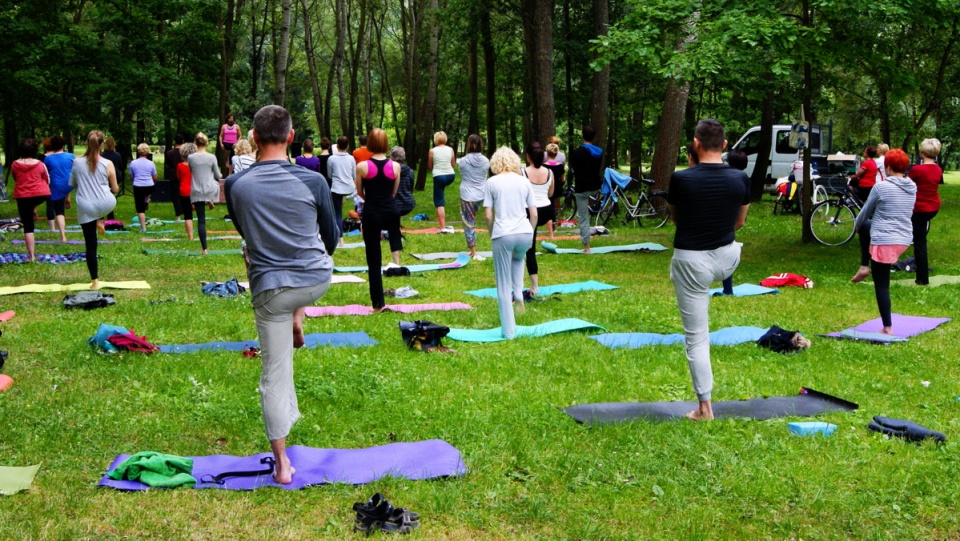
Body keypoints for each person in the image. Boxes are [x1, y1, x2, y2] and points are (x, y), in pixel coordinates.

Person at [225, 104, 340, 485]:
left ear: (253, 139)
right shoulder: (314, 181)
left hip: (272, 288)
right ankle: (298, 315)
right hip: (315, 279)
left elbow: (247, 234)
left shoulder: (236, 185)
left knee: (274, 375)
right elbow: (333, 237)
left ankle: (281, 464)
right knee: (293, 285)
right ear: (291, 137)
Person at [666, 119, 750, 421]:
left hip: (692, 262)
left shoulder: (681, 179)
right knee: (728, 251)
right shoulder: (740, 178)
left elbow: (677, 219)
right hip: (727, 259)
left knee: (697, 337)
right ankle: (704, 407)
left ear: (696, 144)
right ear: (725, 146)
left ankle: (705, 408)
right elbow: (739, 222)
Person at [852, 149, 916, 335]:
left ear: (887, 166)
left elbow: (864, 212)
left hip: (885, 240)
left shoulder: (881, 187)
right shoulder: (912, 187)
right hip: (903, 238)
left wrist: (856, 227)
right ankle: (864, 266)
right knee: (867, 227)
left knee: (882, 284)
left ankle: (887, 327)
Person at [484, 147, 537, 340]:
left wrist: (492, 234)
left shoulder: (492, 182)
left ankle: (508, 331)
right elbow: (534, 213)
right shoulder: (524, 181)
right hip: (524, 231)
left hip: (503, 233)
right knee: (518, 259)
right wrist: (530, 234)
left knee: (502, 284)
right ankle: (519, 294)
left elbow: (489, 215)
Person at [355, 129, 403, 310]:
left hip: (372, 211)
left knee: (373, 259)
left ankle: (378, 303)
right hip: (390, 211)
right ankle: (396, 254)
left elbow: (359, 192)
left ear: (370, 144)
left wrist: (371, 200)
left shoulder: (362, 166)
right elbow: (393, 192)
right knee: (393, 239)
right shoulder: (395, 166)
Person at [70, 130, 118, 289]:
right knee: (98, 208)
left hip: (86, 206)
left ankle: (95, 281)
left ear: (86, 143)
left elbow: (74, 184)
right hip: (106, 203)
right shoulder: (108, 163)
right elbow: (116, 188)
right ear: (102, 144)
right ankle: (99, 219)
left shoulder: (77, 162)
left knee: (91, 245)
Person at [908, 138, 943, 285]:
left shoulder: (917, 170)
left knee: (920, 242)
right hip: (933, 207)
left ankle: (922, 278)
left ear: (922, 153)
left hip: (919, 208)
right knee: (920, 239)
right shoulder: (938, 169)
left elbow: (906, 184)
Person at [522, 141, 554, 296]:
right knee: (529, 247)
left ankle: (534, 286)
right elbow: (550, 193)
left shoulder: (523, 172)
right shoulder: (549, 172)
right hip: (547, 211)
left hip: (531, 212)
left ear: (528, 156)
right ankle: (533, 284)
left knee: (530, 249)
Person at [12, 138, 51, 262]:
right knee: (33, 202)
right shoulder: (40, 164)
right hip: (40, 195)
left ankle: (31, 256)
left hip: (23, 197)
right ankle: (34, 207)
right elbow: (47, 179)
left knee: (28, 227)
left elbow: (15, 178)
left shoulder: (14, 164)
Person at [568, 126, 604, 254]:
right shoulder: (599, 152)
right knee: (587, 213)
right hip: (595, 187)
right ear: (593, 137)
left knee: (583, 217)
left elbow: (573, 169)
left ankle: (587, 247)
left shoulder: (576, 153)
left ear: (582, 136)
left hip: (582, 188)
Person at [849, 146, 881, 283]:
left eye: (864, 151)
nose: (863, 153)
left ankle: (851, 203)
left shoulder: (866, 163)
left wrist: (851, 176)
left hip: (865, 187)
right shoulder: (874, 163)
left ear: (867, 154)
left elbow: (858, 174)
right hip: (871, 185)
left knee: (851, 188)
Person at [188, 132, 222, 255]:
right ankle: (210, 200)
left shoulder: (191, 158)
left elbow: (192, 172)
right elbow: (217, 175)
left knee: (201, 220)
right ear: (206, 143)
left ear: (195, 143)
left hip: (196, 190)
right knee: (214, 183)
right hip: (209, 189)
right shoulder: (212, 157)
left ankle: (204, 249)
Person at [721, 149, 749, 296]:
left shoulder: (729, 176)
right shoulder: (743, 178)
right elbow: (741, 219)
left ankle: (727, 289)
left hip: (724, 219)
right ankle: (728, 289)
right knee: (726, 255)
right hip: (730, 221)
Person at [458, 134, 490, 258]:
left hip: (467, 195)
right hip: (482, 193)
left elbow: (462, 173)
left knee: (468, 222)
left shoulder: (464, 161)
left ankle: (473, 249)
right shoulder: (486, 160)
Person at [43, 135, 75, 243]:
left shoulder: (48, 159)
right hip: (70, 184)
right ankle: (68, 199)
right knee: (61, 206)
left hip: (56, 186)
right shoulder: (71, 156)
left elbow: (45, 174)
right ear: (63, 145)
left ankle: (63, 236)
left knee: (59, 211)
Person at [327, 135, 357, 240]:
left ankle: (340, 239)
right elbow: (354, 175)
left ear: (337, 145)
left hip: (337, 188)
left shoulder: (331, 159)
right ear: (347, 146)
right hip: (349, 187)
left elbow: (329, 175)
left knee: (337, 214)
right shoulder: (351, 158)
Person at [429, 131, 457, 232]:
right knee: (441, 194)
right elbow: (453, 164)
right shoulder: (450, 149)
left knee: (439, 201)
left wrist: (436, 171)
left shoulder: (432, 151)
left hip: (438, 176)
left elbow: (430, 166)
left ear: (435, 139)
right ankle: (442, 226)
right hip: (451, 175)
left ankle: (442, 227)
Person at [129, 143, 158, 233]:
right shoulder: (151, 163)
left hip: (138, 186)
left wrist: (134, 181)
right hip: (149, 186)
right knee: (148, 191)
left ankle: (143, 228)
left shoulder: (133, 163)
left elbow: (131, 176)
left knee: (140, 208)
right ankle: (147, 199)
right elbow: (155, 177)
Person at [544, 143, 565, 238]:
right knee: (553, 204)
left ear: (547, 153)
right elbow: (563, 179)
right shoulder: (560, 166)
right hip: (557, 188)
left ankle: (550, 224)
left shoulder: (544, 166)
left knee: (550, 205)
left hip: (547, 188)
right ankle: (553, 224)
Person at [177, 143, 197, 241]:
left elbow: (179, 177)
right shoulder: (196, 165)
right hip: (195, 190)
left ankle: (190, 236)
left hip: (184, 190)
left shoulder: (180, 166)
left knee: (187, 215)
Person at [390, 146, 416, 217]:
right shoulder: (410, 171)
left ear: (391, 157)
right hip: (408, 203)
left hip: (393, 203)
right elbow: (411, 187)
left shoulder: (389, 171)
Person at [164, 134, 185, 220]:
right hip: (184, 175)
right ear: (183, 142)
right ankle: (186, 211)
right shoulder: (185, 153)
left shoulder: (169, 153)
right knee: (185, 194)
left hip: (173, 176)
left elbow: (167, 165)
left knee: (175, 195)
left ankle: (178, 215)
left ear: (174, 142)